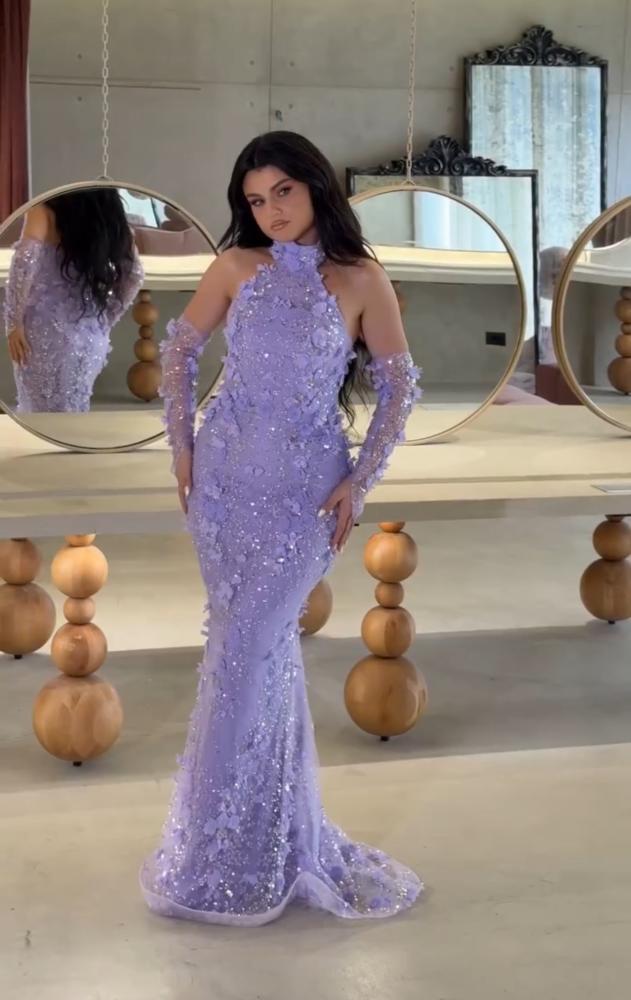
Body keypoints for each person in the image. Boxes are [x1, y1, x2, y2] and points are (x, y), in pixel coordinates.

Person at [139, 131, 423, 926]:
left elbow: (400, 388)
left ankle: (221, 855)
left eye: (283, 193)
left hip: (303, 496)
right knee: (253, 655)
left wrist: (358, 481)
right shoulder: (236, 267)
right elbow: (179, 351)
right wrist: (182, 447)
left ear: (314, 185)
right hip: (224, 486)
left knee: (246, 653)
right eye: (255, 200)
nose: (270, 212)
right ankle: (262, 841)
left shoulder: (362, 279)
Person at [3, 188, 144, 413]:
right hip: (90, 333)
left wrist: (13, 322)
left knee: (39, 417)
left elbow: (24, 262)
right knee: (75, 412)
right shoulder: (108, 211)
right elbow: (134, 275)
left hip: (43, 332)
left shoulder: (44, 209)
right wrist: (106, 318)